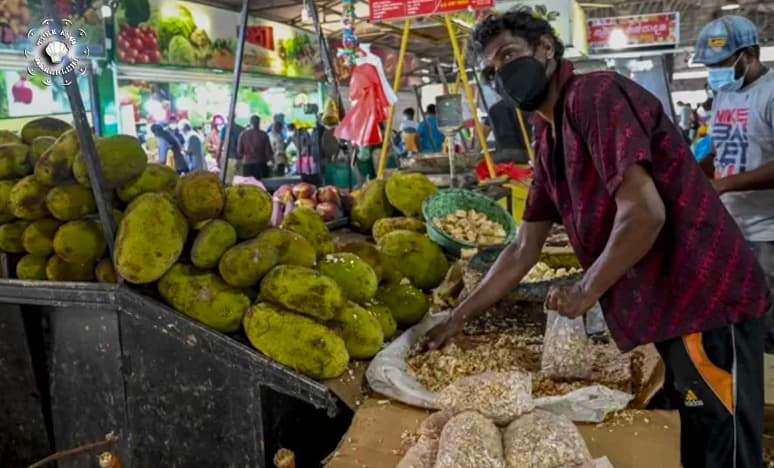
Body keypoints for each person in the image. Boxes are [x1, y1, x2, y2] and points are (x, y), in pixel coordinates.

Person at [424, 10, 770, 468]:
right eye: (490, 72)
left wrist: (586, 290)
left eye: (509, 56)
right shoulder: (548, 134)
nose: (502, 75)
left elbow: (644, 214)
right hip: (670, 304)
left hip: (703, 298)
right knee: (697, 430)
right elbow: (523, 247)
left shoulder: (594, 96)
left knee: (721, 443)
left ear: (546, 48)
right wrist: (458, 317)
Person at [693, 15, 774, 354]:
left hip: (767, 234)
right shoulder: (725, 94)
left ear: (750, 55)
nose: (715, 72)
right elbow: (719, 146)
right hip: (731, 229)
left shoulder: (770, 94)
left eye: (722, 63)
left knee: (768, 325)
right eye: (710, 65)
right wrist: (692, 174)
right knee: (737, 323)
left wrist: (724, 186)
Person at [237, 115, 272, 180]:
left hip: (247, 164)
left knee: (249, 186)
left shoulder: (243, 134)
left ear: (250, 123)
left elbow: (239, 152)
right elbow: (268, 153)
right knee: (263, 186)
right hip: (261, 164)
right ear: (259, 123)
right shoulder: (263, 134)